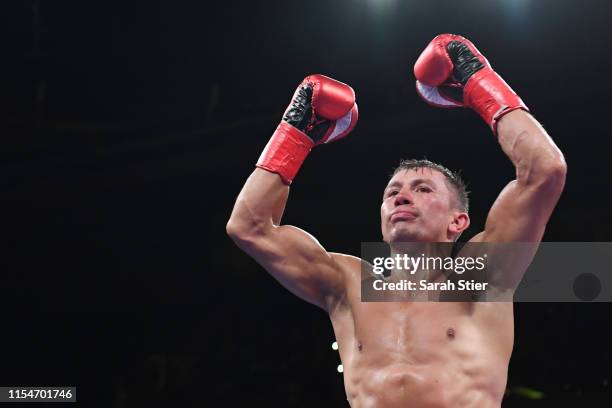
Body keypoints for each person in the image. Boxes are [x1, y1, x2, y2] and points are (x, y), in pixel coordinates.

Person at [226, 34, 566, 407]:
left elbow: (545, 171)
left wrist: (476, 80)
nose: (401, 195)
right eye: (393, 192)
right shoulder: (347, 285)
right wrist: (295, 133)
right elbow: (249, 226)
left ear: (458, 221)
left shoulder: (481, 276)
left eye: (423, 189)